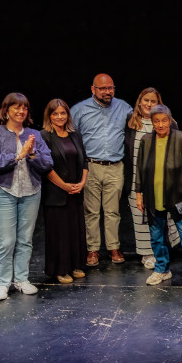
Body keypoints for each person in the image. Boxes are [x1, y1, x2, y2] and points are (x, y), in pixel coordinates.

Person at [0, 93, 53, 300]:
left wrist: (32, 154)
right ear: (6, 110)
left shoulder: (34, 134)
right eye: (16, 107)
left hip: (31, 191)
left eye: (24, 108)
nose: (21, 111)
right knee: (6, 241)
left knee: (25, 239)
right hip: (3, 191)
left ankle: (21, 279)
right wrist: (19, 155)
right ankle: (3, 283)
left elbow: (47, 163)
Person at [135, 105, 182, 288]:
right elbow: (140, 169)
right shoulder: (146, 140)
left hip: (178, 195)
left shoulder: (180, 138)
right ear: (152, 122)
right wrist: (139, 194)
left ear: (170, 120)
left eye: (164, 120)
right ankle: (162, 269)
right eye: (156, 121)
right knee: (157, 236)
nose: (160, 124)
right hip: (153, 196)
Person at [71, 73, 132, 266]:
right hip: (91, 166)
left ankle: (114, 247)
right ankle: (93, 250)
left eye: (110, 88)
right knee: (91, 211)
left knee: (113, 211)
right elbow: (68, 135)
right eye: (103, 88)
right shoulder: (79, 110)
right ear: (93, 89)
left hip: (115, 166)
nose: (107, 92)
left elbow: (145, 118)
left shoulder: (123, 107)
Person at [123, 87, 180, 269]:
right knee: (141, 216)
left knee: (165, 216)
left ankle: (164, 250)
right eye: (145, 100)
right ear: (140, 101)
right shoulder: (131, 122)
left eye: (153, 101)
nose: (148, 104)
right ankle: (147, 253)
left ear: (158, 103)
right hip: (137, 178)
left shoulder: (169, 123)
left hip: (162, 178)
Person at [40, 99, 88, 284]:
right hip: (56, 194)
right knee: (59, 233)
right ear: (49, 116)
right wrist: (64, 186)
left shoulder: (75, 134)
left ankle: (75, 265)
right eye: (55, 114)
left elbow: (84, 160)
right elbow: (45, 167)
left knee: (75, 230)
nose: (60, 117)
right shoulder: (44, 136)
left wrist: (82, 183)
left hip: (75, 192)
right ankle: (59, 269)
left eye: (63, 113)